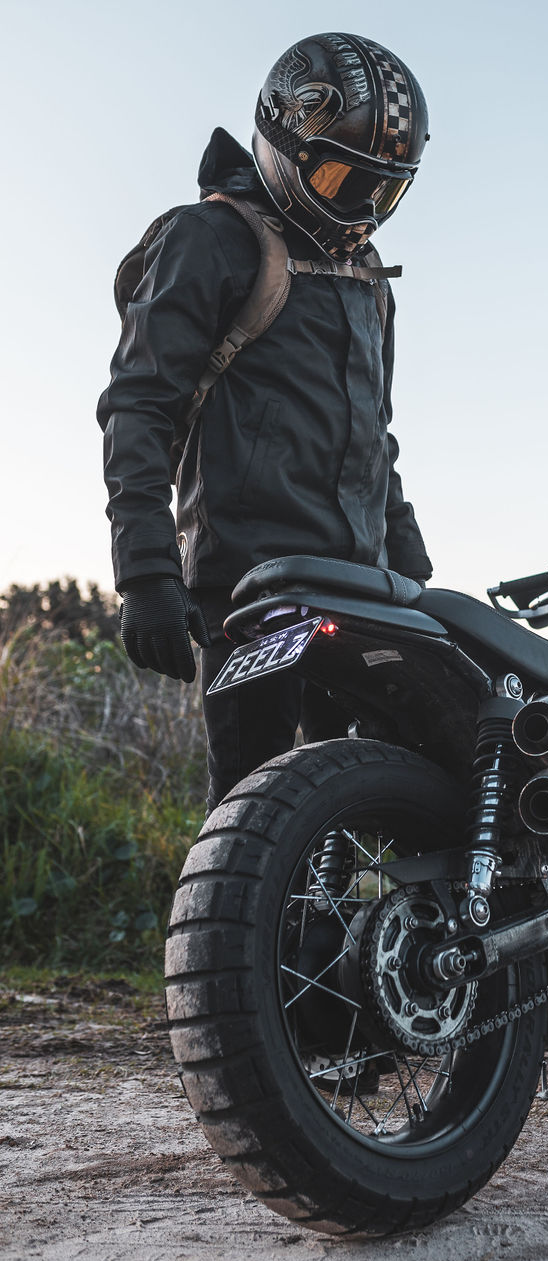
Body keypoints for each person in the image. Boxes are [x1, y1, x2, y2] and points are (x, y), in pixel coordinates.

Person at [98, 32, 433, 811]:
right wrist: (146, 571)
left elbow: (374, 436)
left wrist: (413, 572)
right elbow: (137, 403)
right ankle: (225, 937)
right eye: (341, 176)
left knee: (366, 810)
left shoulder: (367, 279)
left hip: (365, 591)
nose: (361, 208)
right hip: (251, 592)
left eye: (383, 192)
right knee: (253, 816)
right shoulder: (210, 238)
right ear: (286, 139)